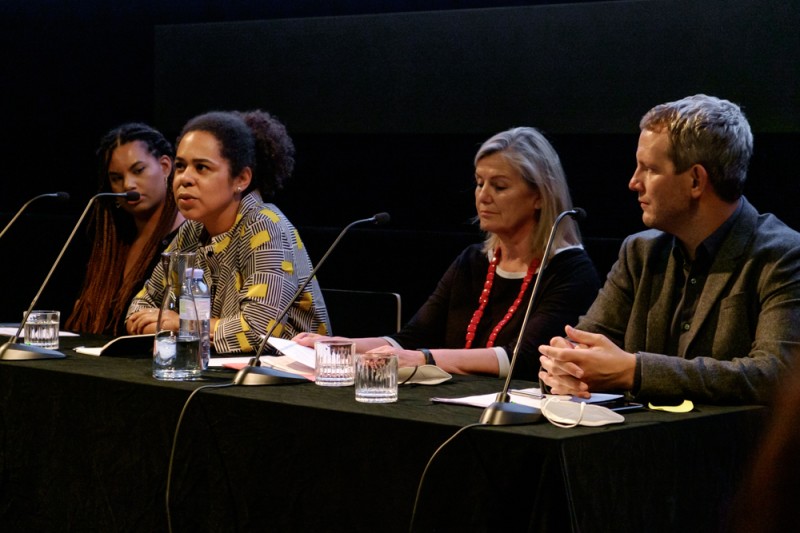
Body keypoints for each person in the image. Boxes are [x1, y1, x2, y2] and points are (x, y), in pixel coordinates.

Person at [538, 94, 800, 404]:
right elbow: (585, 347)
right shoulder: (639, 253)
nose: (634, 182)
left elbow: (775, 375)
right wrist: (566, 365)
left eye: (649, 169)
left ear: (695, 181)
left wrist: (636, 372)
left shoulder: (782, 254)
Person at [294, 127, 600, 379]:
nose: (483, 196)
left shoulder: (570, 269)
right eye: (480, 183)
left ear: (539, 197)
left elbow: (524, 357)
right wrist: (337, 346)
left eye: (500, 186)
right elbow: (411, 339)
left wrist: (422, 357)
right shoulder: (472, 261)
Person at [126, 110, 329, 353]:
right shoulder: (191, 231)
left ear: (240, 179)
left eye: (201, 168)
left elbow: (259, 331)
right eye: (180, 166)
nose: (184, 179)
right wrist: (155, 322)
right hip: (216, 372)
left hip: (291, 379)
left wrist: (182, 324)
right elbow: (141, 306)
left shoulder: (266, 227)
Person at [65, 123, 185, 336]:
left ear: (166, 166)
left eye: (138, 171)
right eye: (116, 178)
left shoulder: (189, 237)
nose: (128, 184)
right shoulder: (114, 241)